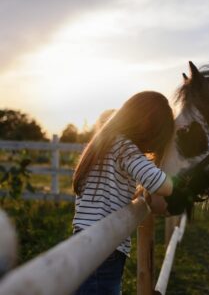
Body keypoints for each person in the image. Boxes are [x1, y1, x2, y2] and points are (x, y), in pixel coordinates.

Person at [72, 91, 175, 295]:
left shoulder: (103, 142)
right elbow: (162, 185)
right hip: (103, 249)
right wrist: (175, 179)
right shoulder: (124, 146)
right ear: (147, 124)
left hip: (83, 242)